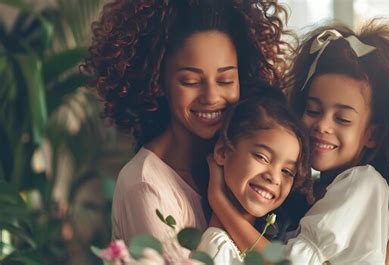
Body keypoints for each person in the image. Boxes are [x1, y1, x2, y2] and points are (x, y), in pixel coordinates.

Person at [207, 19, 389, 264]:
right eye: (313, 110)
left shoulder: (363, 184)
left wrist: (219, 201)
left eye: (342, 119)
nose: (323, 125)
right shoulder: (313, 192)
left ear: (372, 135)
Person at [81, 0, 293, 262]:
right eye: (191, 81)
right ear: (158, 82)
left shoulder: (245, 167)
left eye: (226, 80)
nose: (211, 96)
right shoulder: (146, 185)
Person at [196, 90, 311, 264]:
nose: (274, 178)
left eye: (287, 172)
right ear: (223, 152)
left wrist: (218, 198)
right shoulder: (217, 247)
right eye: (262, 157)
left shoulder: (278, 236)